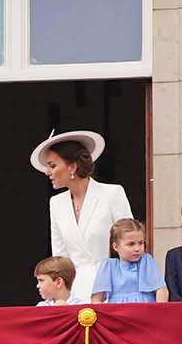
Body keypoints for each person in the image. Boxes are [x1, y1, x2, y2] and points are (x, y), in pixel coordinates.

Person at [36, 130, 134, 304]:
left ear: (72, 167)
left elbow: (130, 244)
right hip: (76, 294)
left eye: (52, 165)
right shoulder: (56, 203)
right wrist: (61, 298)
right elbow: (61, 258)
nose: (47, 172)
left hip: (115, 290)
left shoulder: (112, 194)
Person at [92, 218, 167, 303]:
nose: (137, 248)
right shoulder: (108, 266)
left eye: (141, 243)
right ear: (116, 246)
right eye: (131, 244)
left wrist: (158, 313)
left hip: (146, 312)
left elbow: (162, 290)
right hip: (117, 313)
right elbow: (96, 299)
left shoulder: (146, 261)